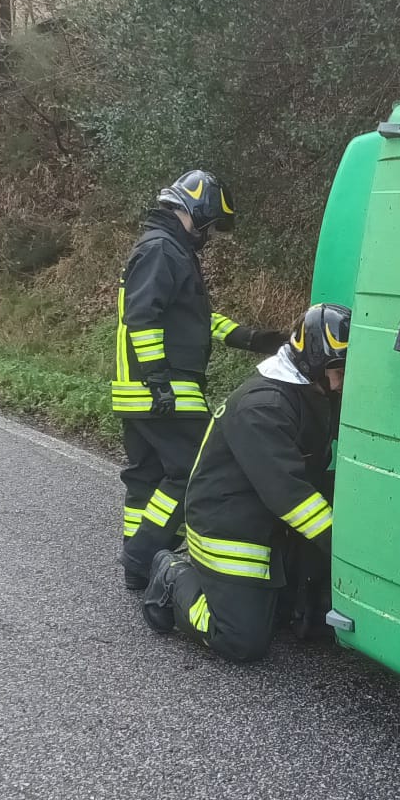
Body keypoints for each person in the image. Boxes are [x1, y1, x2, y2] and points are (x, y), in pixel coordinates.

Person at [140, 303, 349, 664]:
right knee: (241, 639)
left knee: (291, 620)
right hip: (229, 521)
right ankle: (172, 575)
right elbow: (290, 496)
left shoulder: (315, 391)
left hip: (267, 516)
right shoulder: (263, 407)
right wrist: (348, 552)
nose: (346, 379)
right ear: (314, 363)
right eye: (339, 369)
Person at [114, 170, 285, 590]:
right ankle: (141, 557)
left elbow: (192, 319)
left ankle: (145, 559)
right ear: (194, 211)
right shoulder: (162, 250)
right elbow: (143, 316)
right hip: (164, 390)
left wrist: (251, 338)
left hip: (138, 392)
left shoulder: (164, 248)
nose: (208, 235)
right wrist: (158, 379)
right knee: (194, 471)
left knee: (147, 479)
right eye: (208, 226)